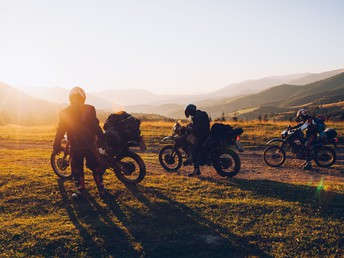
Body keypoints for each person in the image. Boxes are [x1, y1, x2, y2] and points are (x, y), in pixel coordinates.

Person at [53, 87, 106, 199]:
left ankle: (81, 191)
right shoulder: (90, 109)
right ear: (83, 97)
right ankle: (101, 189)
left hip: (76, 146)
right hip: (90, 144)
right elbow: (95, 126)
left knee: (77, 168)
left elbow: (61, 130)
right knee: (96, 167)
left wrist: (56, 144)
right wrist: (102, 140)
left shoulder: (64, 112)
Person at [184, 104, 210, 176]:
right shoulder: (202, 113)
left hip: (202, 136)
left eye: (189, 112)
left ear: (191, 111)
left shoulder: (195, 117)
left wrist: (190, 129)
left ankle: (196, 170)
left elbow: (196, 130)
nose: (189, 114)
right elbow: (202, 125)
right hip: (207, 133)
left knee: (194, 152)